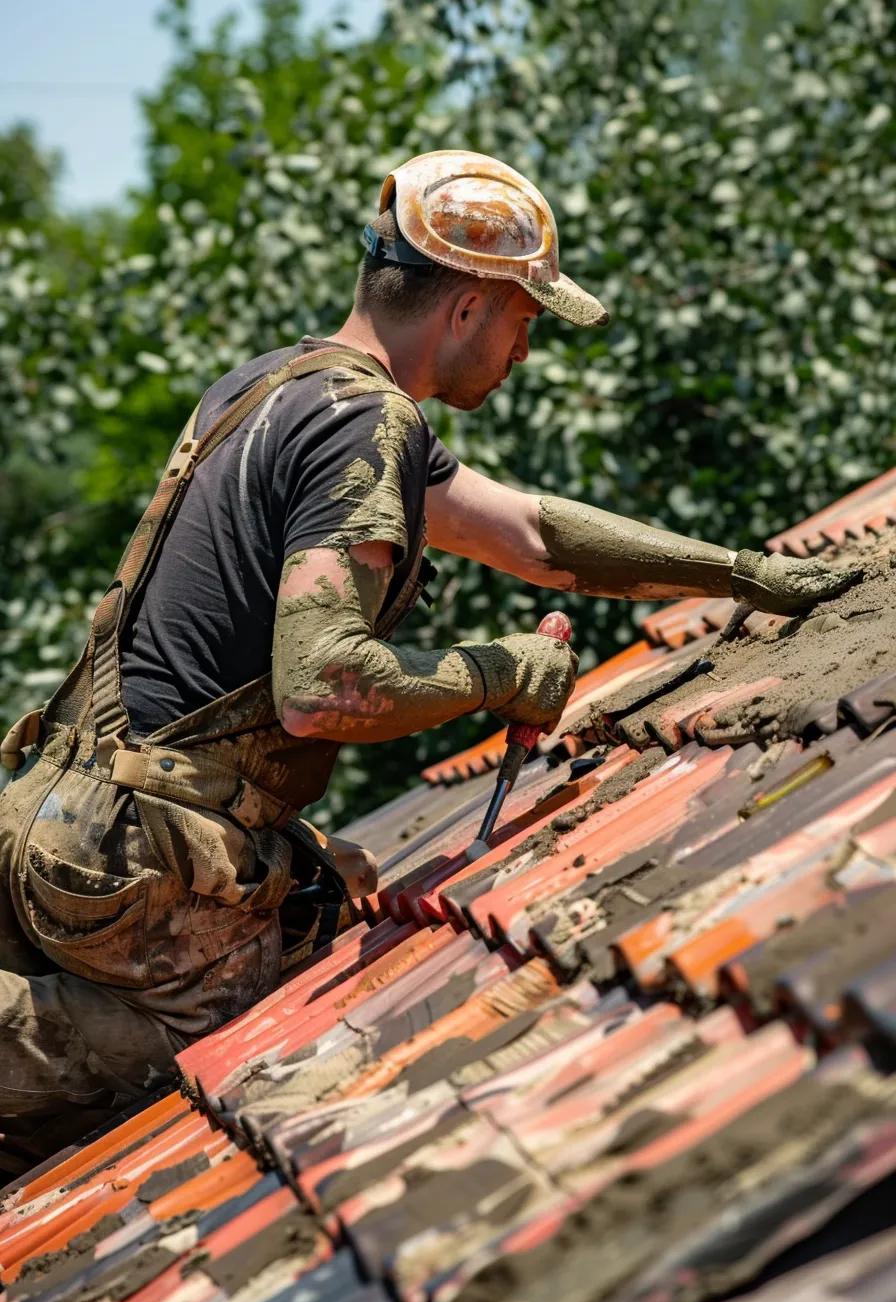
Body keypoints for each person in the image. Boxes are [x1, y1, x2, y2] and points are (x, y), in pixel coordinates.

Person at [0, 150, 858, 1176]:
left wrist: (735, 571)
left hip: (59, 821)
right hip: (138, 878)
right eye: (524, 320)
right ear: (466, 305)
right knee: (219, 1062)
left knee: (332, 881)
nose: (524, 349)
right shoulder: (368, 425)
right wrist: (495, 674)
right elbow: (320, 691)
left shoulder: (281, 387)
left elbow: (530, 537)